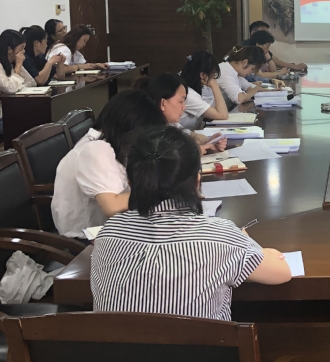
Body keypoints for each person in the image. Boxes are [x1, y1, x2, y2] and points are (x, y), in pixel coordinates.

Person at [91, 126, 292, 319]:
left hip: (117, 345)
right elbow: (282, 273)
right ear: (197, 181)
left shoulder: (109, 233)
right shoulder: (220, 238)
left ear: (131, 183)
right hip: (203, 344)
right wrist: (251, 245)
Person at [51, 90, 166, 239]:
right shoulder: (95, 149)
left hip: (111, 231)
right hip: (84, 240)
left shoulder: (112, 144)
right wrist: (162, 190)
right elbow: (112, 206)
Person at [145, 74, 228, 155]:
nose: (184, 107)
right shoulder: (149, 134)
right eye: (181, 101)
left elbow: (193, 136)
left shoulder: (172, 125)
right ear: (163, 103)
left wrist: (210, 143)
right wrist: (193, 153)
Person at [0, 29, 36, 136]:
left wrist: (16, 85)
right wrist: (18, 68)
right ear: (9, 49)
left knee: (37, 125)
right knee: (26, 132)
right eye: (21, 48)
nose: (24, 51)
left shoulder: (11, 63)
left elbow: (31, 82)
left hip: (14, 113)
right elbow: (10, 88)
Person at [179, 51, 230, 129]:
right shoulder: (189, 94)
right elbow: (223, 115)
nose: (214, 77)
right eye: (213, 73)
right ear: (202, 75)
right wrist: (215, 86)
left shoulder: (190, 90)